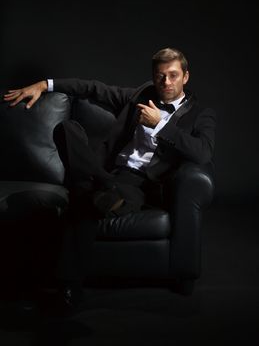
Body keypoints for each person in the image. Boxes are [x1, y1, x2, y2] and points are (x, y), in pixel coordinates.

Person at [4, 47, 216, 315]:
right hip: (108, 172)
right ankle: (100, 185)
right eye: (160, 76)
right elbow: (93, 88)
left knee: (86, 200)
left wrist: (161, 124)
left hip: (140, 183)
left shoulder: (201, 114)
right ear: (153, 76)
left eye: (173, 76)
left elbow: (203, 152)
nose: (166, 83)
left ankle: (68, 288)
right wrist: (44, 84)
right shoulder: (139, 96)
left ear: (186, 76)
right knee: (67, 130)